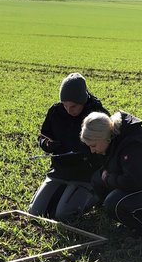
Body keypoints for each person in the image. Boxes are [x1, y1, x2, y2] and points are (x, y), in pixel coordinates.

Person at [29, 72, 108, 221]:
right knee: (35, 212)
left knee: (64, 215)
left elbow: (107, 147)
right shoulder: (55, 111)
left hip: (85, 174)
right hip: (60, 171)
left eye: (73, 106)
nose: (68, 110)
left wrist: (87, 153)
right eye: (65, 105)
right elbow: (43, 135)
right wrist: (46, 144)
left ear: (83, 101)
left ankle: (98, 195)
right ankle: (66, 196)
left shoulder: (97, 116)